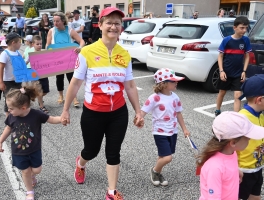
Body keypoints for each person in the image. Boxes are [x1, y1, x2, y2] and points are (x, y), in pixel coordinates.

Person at [60, 7, 144, 199]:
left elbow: (130, 85)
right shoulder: (87, 52)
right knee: (91, 150)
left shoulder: (125, 54)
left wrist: (138, 111)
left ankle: (111, 192)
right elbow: (75, 83)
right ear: (100, 24)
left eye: (117, 23)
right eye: (109, 22)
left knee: (113, 153)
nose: (114, 26)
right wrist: (66, 110)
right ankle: (81, 164)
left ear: (121, 27)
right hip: (93, 113)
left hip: (118, 113)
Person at [0, 81, 62, 200]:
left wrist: (61, 119)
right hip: (18, 151)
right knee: (25, 171)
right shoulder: (12, 117)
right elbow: (8, 128)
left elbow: (50, 119)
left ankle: (32, 176)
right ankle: (29, 191)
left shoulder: (36, 114)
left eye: (11, 108)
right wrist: (0, 141)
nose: (8, 110)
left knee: (37, 169)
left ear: (23, 108)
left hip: (34, 149)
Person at [198, 111, 264, 200]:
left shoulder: (232, 152)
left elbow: (228, 165)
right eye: (248, 139)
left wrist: (236, 171)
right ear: (233, 143)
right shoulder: (214, 167)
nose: (249, 141)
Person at [141, 68, 190, 186]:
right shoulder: (154, 97)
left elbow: (178, 113)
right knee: (168, 158)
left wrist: (184, 129)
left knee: (163, 155)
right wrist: (139, 118)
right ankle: (154, 171)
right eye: (173, 81)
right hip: (160, 131)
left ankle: (158, 173)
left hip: (173, 131)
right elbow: (144, 110)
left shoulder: (175, 97)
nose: (176, 82)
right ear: (163, 84)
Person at [46, 12, 85, 107]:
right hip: (57, 59)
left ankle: (74, 97)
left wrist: (80, 48)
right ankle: (61, 96)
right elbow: (47, 44)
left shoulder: (70, 30)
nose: (55, 23)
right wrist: (48, 51)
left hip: (69, 59)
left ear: (63, 21)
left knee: (71, 78)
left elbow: (82, 41)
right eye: (54, 21)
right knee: (59, 78)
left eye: (57, 21)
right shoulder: (52, 31)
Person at [215, 16, 251, 116]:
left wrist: (244, 71)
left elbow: (247, 56)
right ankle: (217, 109)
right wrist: (221, 71)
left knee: (237, 95)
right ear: (234, 28)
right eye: (242, 28)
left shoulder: (245, 40)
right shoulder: (226, 40)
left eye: (246, 28)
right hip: (226, 72)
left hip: (238, 73)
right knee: (222, 92)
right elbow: (220, 56)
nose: (244, 30)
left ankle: (236, 117)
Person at [237, 74, 264, 200]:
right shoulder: (241, 119)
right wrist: (234, 169)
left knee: (255, 197)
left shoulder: (260, 116)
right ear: (259, 100)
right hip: (243, 171)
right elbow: (227, 147)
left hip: (257, 168)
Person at [0, 32, 23, 117]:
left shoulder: (18, 53)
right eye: (19, 42)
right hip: (8, 82)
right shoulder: (5, 54)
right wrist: (1, 82)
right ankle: (8, 118)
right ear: (13, 43)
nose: (21, 44)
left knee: (18, 98)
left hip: (18, 80)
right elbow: (0, 68)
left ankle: (16, 114)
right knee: (9, 99)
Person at [26, 35, 50, 114]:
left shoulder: (43, 52)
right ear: (33, 44)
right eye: (37, 44)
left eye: (40, 44)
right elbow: (26, 62)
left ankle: (37, 98)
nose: (39, 45)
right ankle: (41, 106)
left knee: (45, 91)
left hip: (43, 74)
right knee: (39, 90)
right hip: (34, 74)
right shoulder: (31, 54)